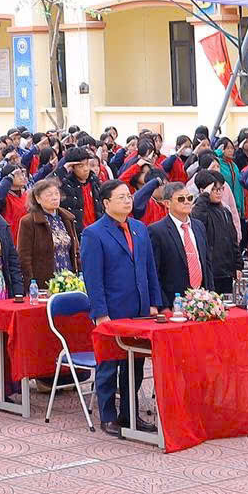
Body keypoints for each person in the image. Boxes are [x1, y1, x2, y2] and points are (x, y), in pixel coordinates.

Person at [81, 180, 160, 434]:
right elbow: (93, 278)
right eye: (121, 197)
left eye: (129, 196)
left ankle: (130, 414)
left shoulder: (139, 228)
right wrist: (100, 313)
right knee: (109, 365)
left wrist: (154, 303)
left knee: (135, 365)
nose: (128, 201)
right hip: (112, 310)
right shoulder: (94, 233)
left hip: (139, 310)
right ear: (106, 203)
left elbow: (149, 269)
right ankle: (108, 416)